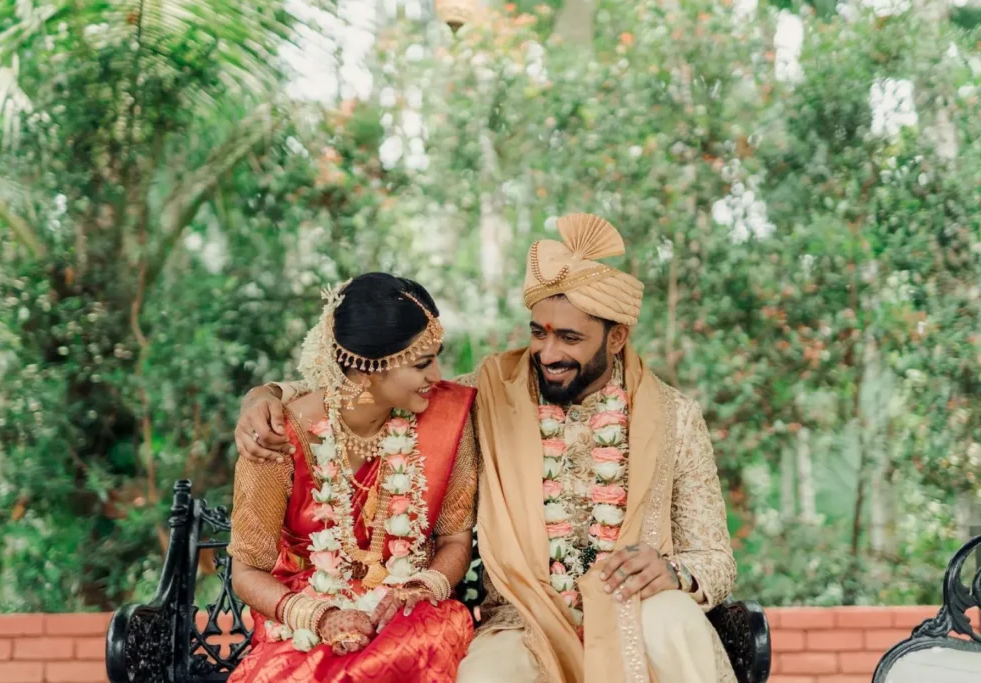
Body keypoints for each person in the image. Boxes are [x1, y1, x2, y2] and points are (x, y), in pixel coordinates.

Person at [238, 215, 737, 683]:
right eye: (539, 332)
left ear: (616, 338)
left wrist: (674, 571)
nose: (548, 353)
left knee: (674, 623)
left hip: (639, 606)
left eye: (569, 337)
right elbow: (372, 384)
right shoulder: (492, 392)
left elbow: (716, 558)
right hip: (521, 621)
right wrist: (268, 396)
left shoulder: (676, 418)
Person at [227, 273, 477, 683]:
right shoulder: (278, 437)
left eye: (436, 357)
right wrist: (320, 615)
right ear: (367, 370)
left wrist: (421, 585)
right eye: (422, 363)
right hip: (305, 608)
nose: (437, 375)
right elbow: (247, 571)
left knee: (427, 637)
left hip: (407, 603)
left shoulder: (447, 418)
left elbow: (453, 540)